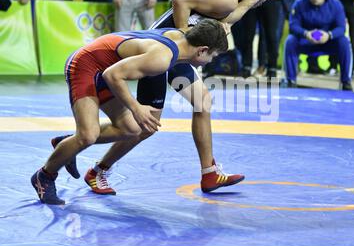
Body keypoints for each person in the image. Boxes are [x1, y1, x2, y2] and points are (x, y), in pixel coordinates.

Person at [51, 0, 275, 197]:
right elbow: (180, 0)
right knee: (145, 127)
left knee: (202, 103)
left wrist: (250, 2)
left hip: (175, 52)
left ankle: (209, 173)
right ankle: (87, 158)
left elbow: (223, 25)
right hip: (166, 53)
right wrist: (182, 43)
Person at [31, 19, 229, 205]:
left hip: (103, 68)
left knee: (132, 129)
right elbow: (112, 75)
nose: (211, 61)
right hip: (86, 66)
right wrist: (136, 108)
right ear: (202, 50)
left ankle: (68, 146)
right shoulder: (162, 58)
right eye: (213, 56)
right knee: (88, 135)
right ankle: (45, 175)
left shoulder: (180, 38)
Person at [283, 0, 353, 90]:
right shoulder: (299, 4)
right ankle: (290, 80)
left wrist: (329, 35)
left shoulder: (336, 4)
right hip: (306, 41)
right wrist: (306, 34)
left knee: (344, 41)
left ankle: (346, 82)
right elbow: (293, 25)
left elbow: (341, 28)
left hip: (327, 42)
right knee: (290, 41)